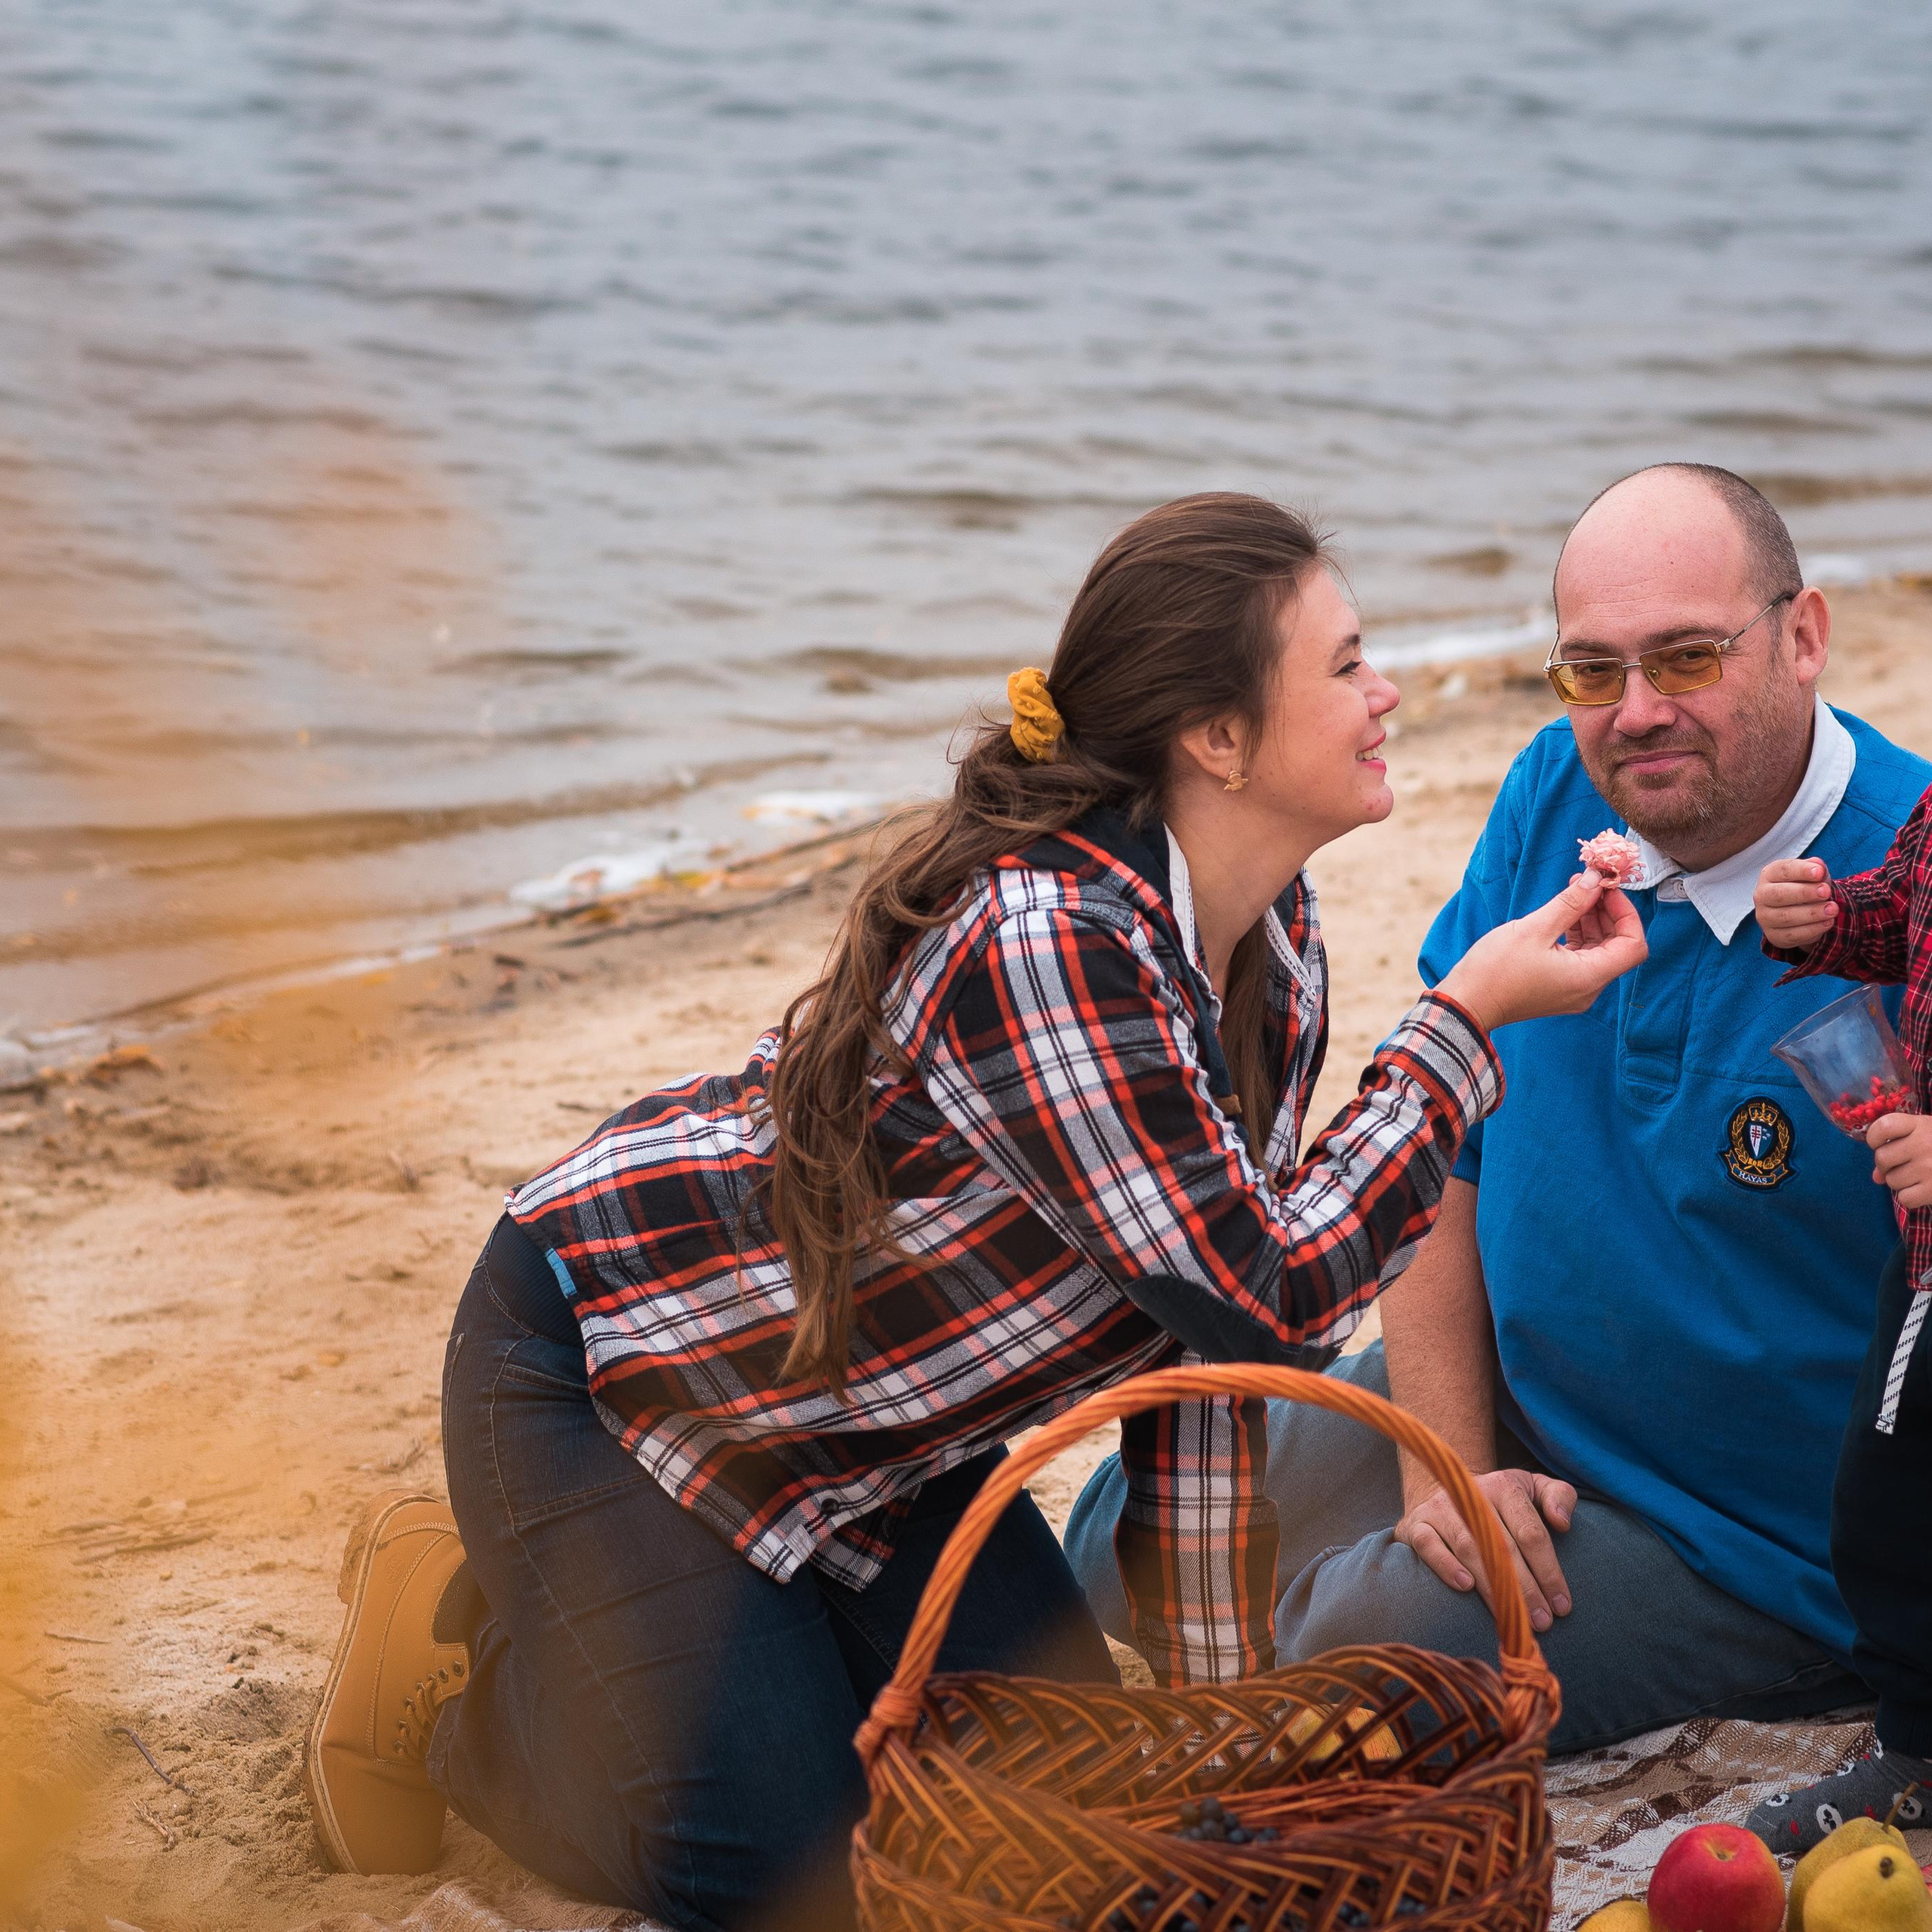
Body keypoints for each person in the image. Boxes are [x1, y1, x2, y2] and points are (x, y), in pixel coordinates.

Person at [301, 494, 1642, 1932]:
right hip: (618, 1376)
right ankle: (457, 1689)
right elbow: (1267, 1289)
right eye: (1345, 664)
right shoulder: (1050, 936)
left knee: (1045, 1843)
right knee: (784, 1884)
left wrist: (1213, 1769)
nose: (1385, 692)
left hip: (872, 1444)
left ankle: (734, 1648)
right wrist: (1464, 1021)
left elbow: (1196, 1362)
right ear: (1220, 738)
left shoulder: (1277, 938)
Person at [1066, 464, 1932, 1755]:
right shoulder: (1556, 788)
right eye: (1591, 670)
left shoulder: (1906, 871)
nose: (1635, 714)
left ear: (1803, 637)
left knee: (1349, 1662)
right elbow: (1446, 1156)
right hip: (1513, 1394)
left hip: (1747, 1541)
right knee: (1116, 1532)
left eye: (1685, 657)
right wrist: (1447, 1468)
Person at [1742, 808, 1932, 1848]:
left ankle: (1917, 1752)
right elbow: (1898, 910)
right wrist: (1816, 919)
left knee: (1888, 1499)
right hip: (1925, 1255)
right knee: (1886, 1496)